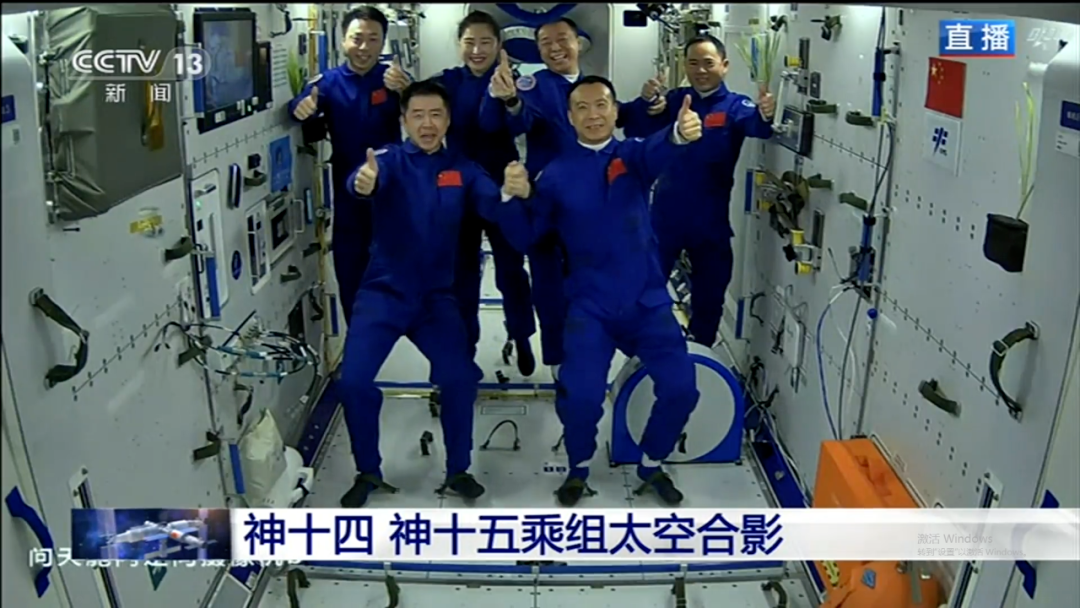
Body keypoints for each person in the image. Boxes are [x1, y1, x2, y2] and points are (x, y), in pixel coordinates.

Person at [497, 76, 704, 506]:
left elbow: (659, 148)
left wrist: (679, 134)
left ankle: (652, 462)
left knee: (682, 387)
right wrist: (515, 197)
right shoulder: (555, 175)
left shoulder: (632, 156)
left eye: (602, 105)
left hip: (647, 302)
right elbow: (529, 236)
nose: (593, 115)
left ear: (614, 111)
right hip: (590, 306)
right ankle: (578, 468)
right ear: (570, 117)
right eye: (583, 108)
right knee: (581, 397)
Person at [336, 80, 505, 508]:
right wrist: (362, 183)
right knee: (353, 382)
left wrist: (512, 191)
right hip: (383, 294)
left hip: (435, 299)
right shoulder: (387, 162)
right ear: (404, 120)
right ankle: (368, 470)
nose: (427, 124)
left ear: (448, 121)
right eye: (418, 115)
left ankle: (459, 469)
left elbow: (493, 202)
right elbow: (360, 180)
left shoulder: (463, 169)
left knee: (459, 378)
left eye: (436, 115)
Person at [620, 34, 776, 347]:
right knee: (643, 290)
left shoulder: (735, 106)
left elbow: (757, 127)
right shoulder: (674, 100)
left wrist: (766, 113)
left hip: (710, 223)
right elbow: (635, 128)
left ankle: (700, 354)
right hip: (664, 218)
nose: (700, 70)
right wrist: (647, 102)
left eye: (708, 63)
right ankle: (643, 353)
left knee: (710, 297)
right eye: (693, 63)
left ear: (724, 65)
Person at [288, 6, 413, 326]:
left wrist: (406, 90)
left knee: (397, 266)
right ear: (343, 41)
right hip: (348, 195)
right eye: (357, 38)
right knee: (350, 267)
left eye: (373, 39)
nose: (364, 47)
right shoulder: (329, 83)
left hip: (390, 189)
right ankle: (358, 335)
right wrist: (300, 109)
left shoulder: (393, 79)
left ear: (383, 42)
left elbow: (424, 111)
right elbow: (301, 104)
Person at [483, 17, 589, 380]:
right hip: (544, 201)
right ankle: (557, 360)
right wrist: (511, 99)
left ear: (578, 43)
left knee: (587, 282)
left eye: (562, 39)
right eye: (545, 43)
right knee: (548, 284)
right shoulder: (535, 85)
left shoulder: (593, 88)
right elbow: (521, 119)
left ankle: (585, 351)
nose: (555, 48)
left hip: (588, 203)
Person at [431, 10, 536, 376]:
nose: (477, 50)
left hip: (502, 188)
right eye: (470, 42)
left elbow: (523, 123)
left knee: (511, 271)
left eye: (485, 42)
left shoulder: (514, 81)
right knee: (461, 275)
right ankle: (465, 348)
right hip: (459, 191)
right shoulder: (447, 82)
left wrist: (510, 99)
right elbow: (420, 106)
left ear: (498, 45)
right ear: (459, 45)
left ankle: (521, 335)